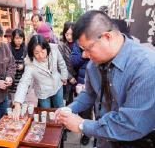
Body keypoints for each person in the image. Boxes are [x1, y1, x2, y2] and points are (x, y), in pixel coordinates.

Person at [55, 10, 155, 148]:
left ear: (107, 37)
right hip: (104, 140)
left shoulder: (146, 67)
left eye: (87, 48)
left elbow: (131, 125)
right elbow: (89, 93)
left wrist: (82, 125)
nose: (84, 54)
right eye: (82, 49)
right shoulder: (93, 65)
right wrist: (70, 109)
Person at [12, 35, 68, 121]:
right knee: (46, 113)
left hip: (57, 84)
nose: (41, 55)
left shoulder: (54, 50)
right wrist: (17, 103)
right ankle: (48, 131)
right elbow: (24, 82)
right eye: (36, 53)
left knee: (59, 108)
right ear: (32, 52)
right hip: (43, 91)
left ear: (47, 48)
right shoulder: (30, 63)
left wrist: (64, 76)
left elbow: (61, 63)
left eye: (42, 51)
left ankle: (62, 130)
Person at [70, 40, 91, 145]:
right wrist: (83, 56)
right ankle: (86, 133)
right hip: (81, 80)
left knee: (98, 110)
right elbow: (73, 61)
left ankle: (96, 136)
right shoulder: (79, 42)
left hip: (97, 82)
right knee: (84, 109)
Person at [58, 21, 77, 105]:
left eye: (71, 34)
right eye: (67, 34)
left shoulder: (80, 43)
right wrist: (70, 77)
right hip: (67, 78)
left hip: (79, 78)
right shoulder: (61, 45)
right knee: (69, 102)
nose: (69, 37)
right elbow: (60, 63)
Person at [8, 29, 26, 105]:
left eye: (21, 38)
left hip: (22, 76)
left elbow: (29, 60)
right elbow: (5, 61)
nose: (19, 40)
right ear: (13, 38)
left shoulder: (25, 48)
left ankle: (24, 113)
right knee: (13, 98)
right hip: (12, 76)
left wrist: (23, 66)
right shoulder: (8, 47)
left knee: (23, 95)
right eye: (17, 38)